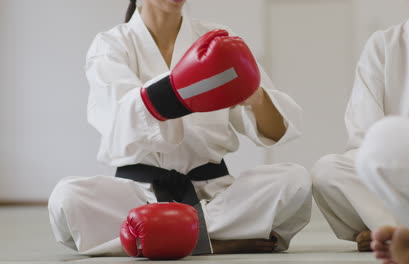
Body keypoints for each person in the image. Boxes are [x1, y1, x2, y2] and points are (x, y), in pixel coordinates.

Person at [47, 0, 312, 256]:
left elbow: (276, 131)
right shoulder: (111, 44)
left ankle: (148, 240)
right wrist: (178, 88)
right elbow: (118, 121)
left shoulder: (216, 38)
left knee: (294, 180)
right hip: (138, 196)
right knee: (67, 198)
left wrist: (256, 97)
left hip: (212, 195)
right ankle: (211, 239)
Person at [311, 0, 409, 252]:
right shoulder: (383, 45)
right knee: (328, 171)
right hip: (399, 180)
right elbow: (365, 140)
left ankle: (395, 230)